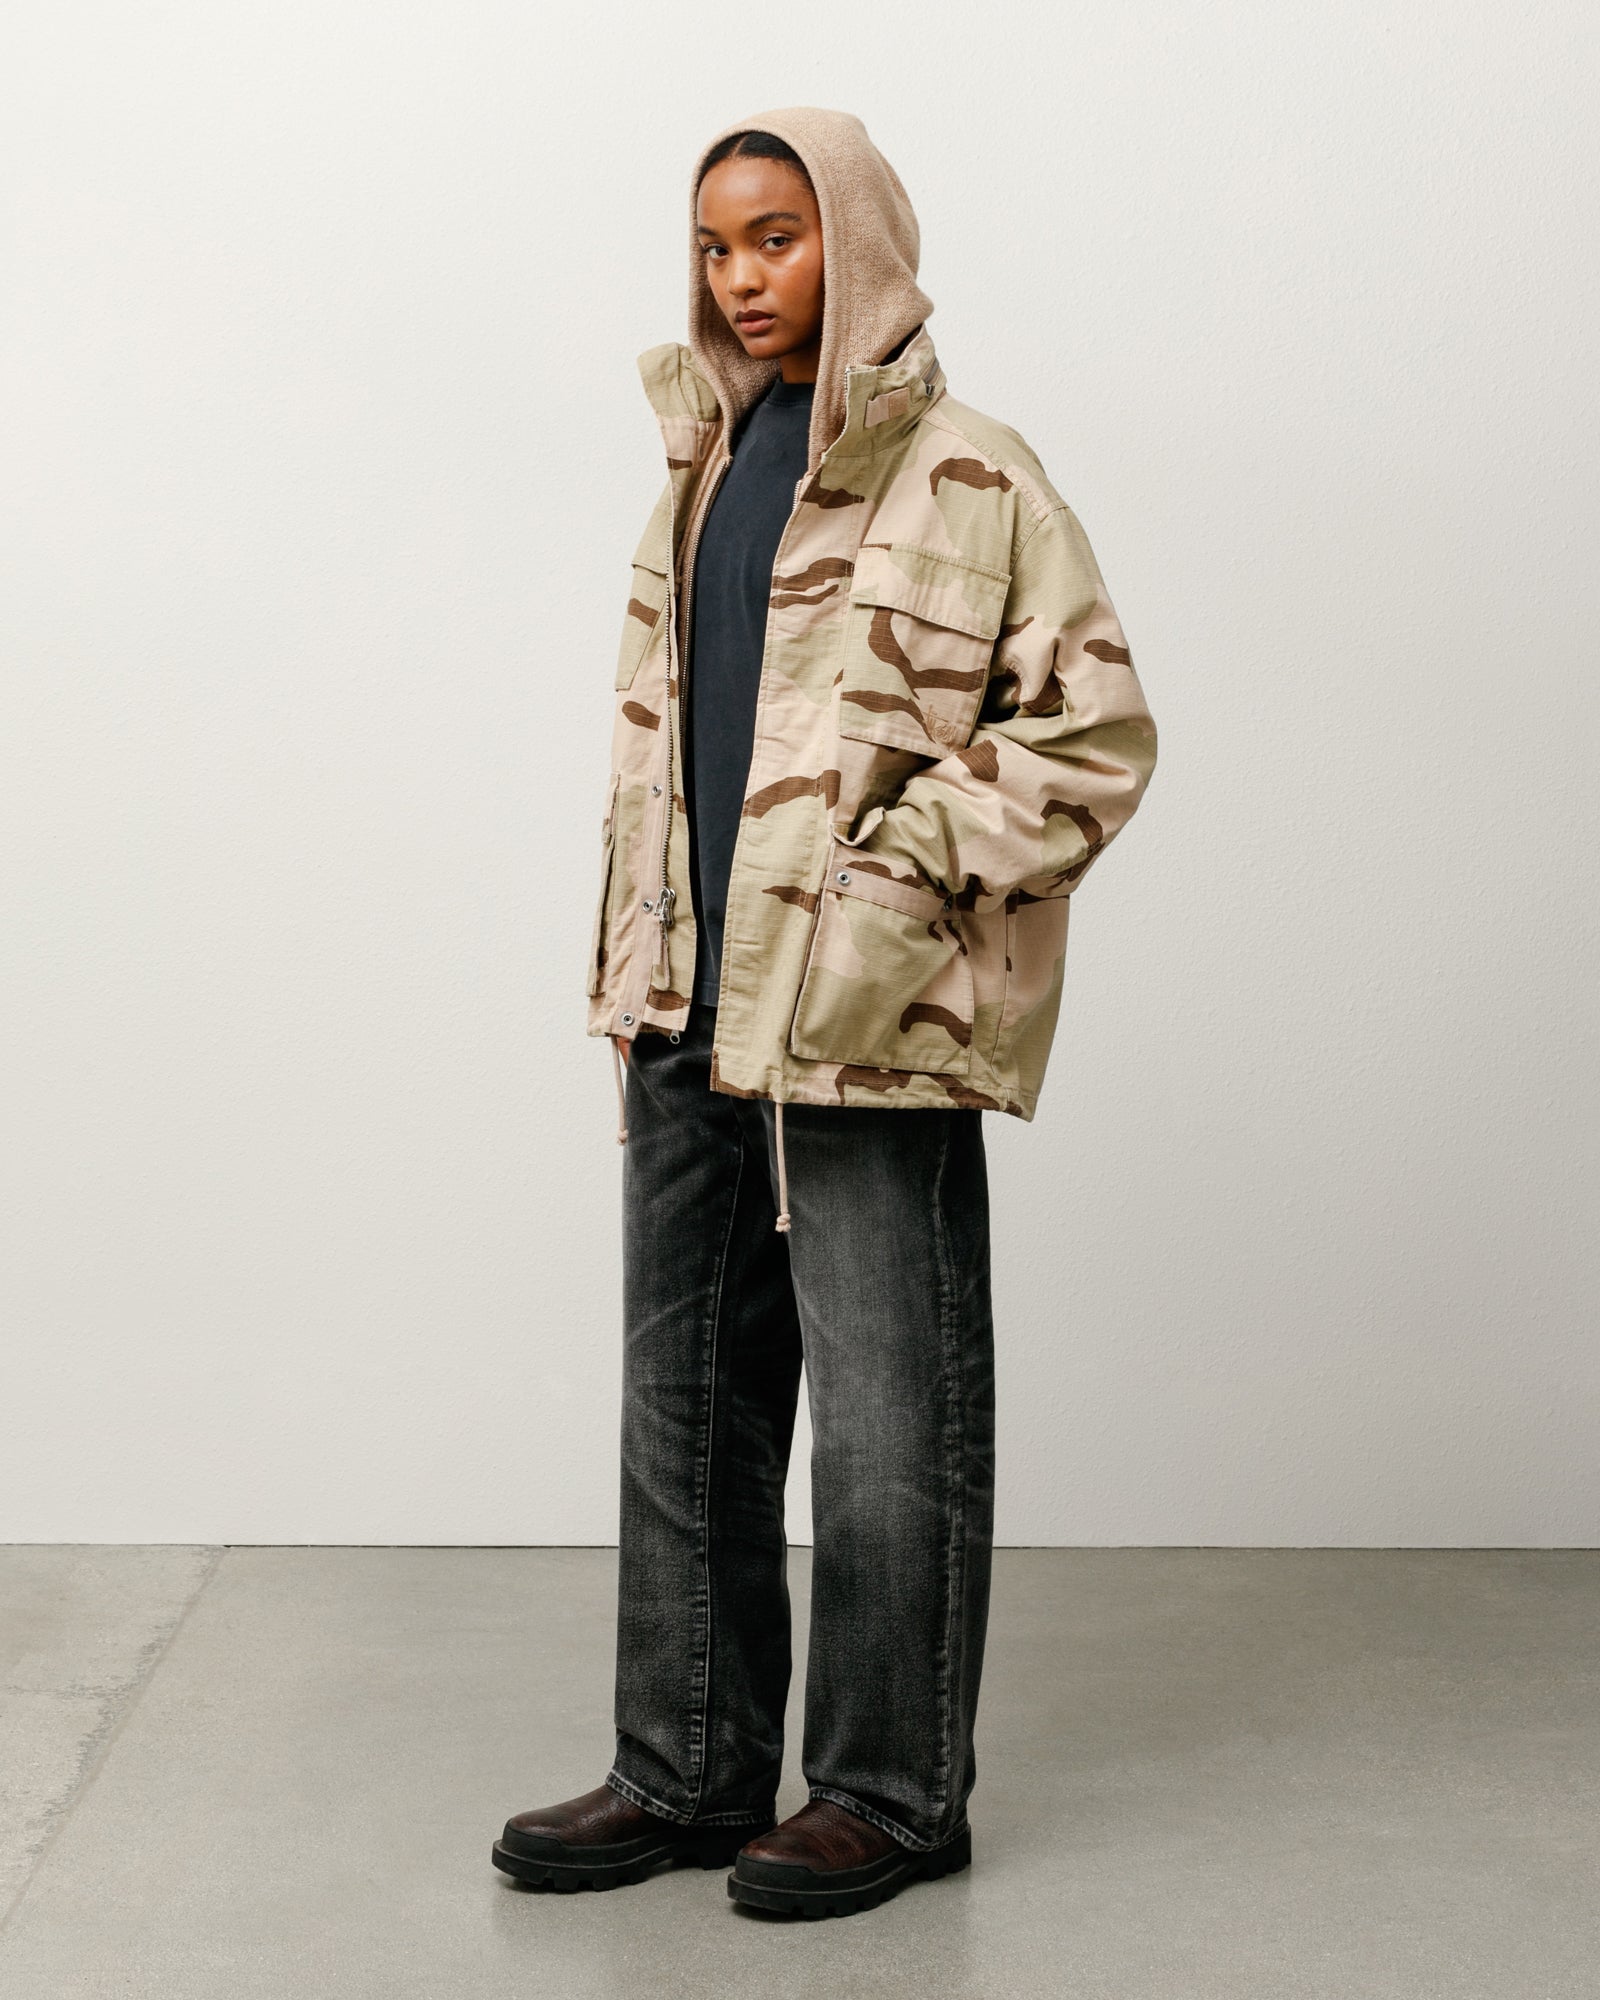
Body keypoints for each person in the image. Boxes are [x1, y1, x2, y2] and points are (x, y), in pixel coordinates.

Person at [492, 105, 1157, 1921]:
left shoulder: (974, 473)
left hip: (864, 1017)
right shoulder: (700, 465)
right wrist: (634, 949)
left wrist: (899, 874)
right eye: (715, 247)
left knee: (889, 1422)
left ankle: (888, 1790)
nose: (741, 277)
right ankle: (686, 1767)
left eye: (776, 237)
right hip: (683, 1005)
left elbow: (1095, 736)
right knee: (684, 1407)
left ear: (855, 238)